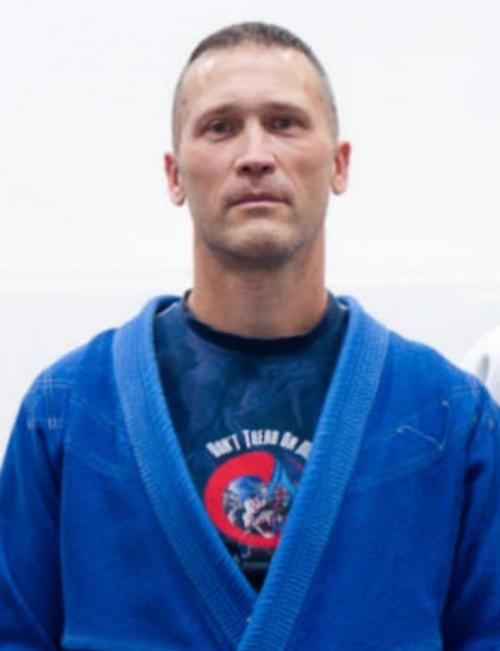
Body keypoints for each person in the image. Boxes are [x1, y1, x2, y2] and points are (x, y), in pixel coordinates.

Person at [1, 21, 499, 650]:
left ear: (339, 164)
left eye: (285, 123)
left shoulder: (446, 417)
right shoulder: (69, 412)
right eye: (221, 127)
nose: (256, 154)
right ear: (174, 174)